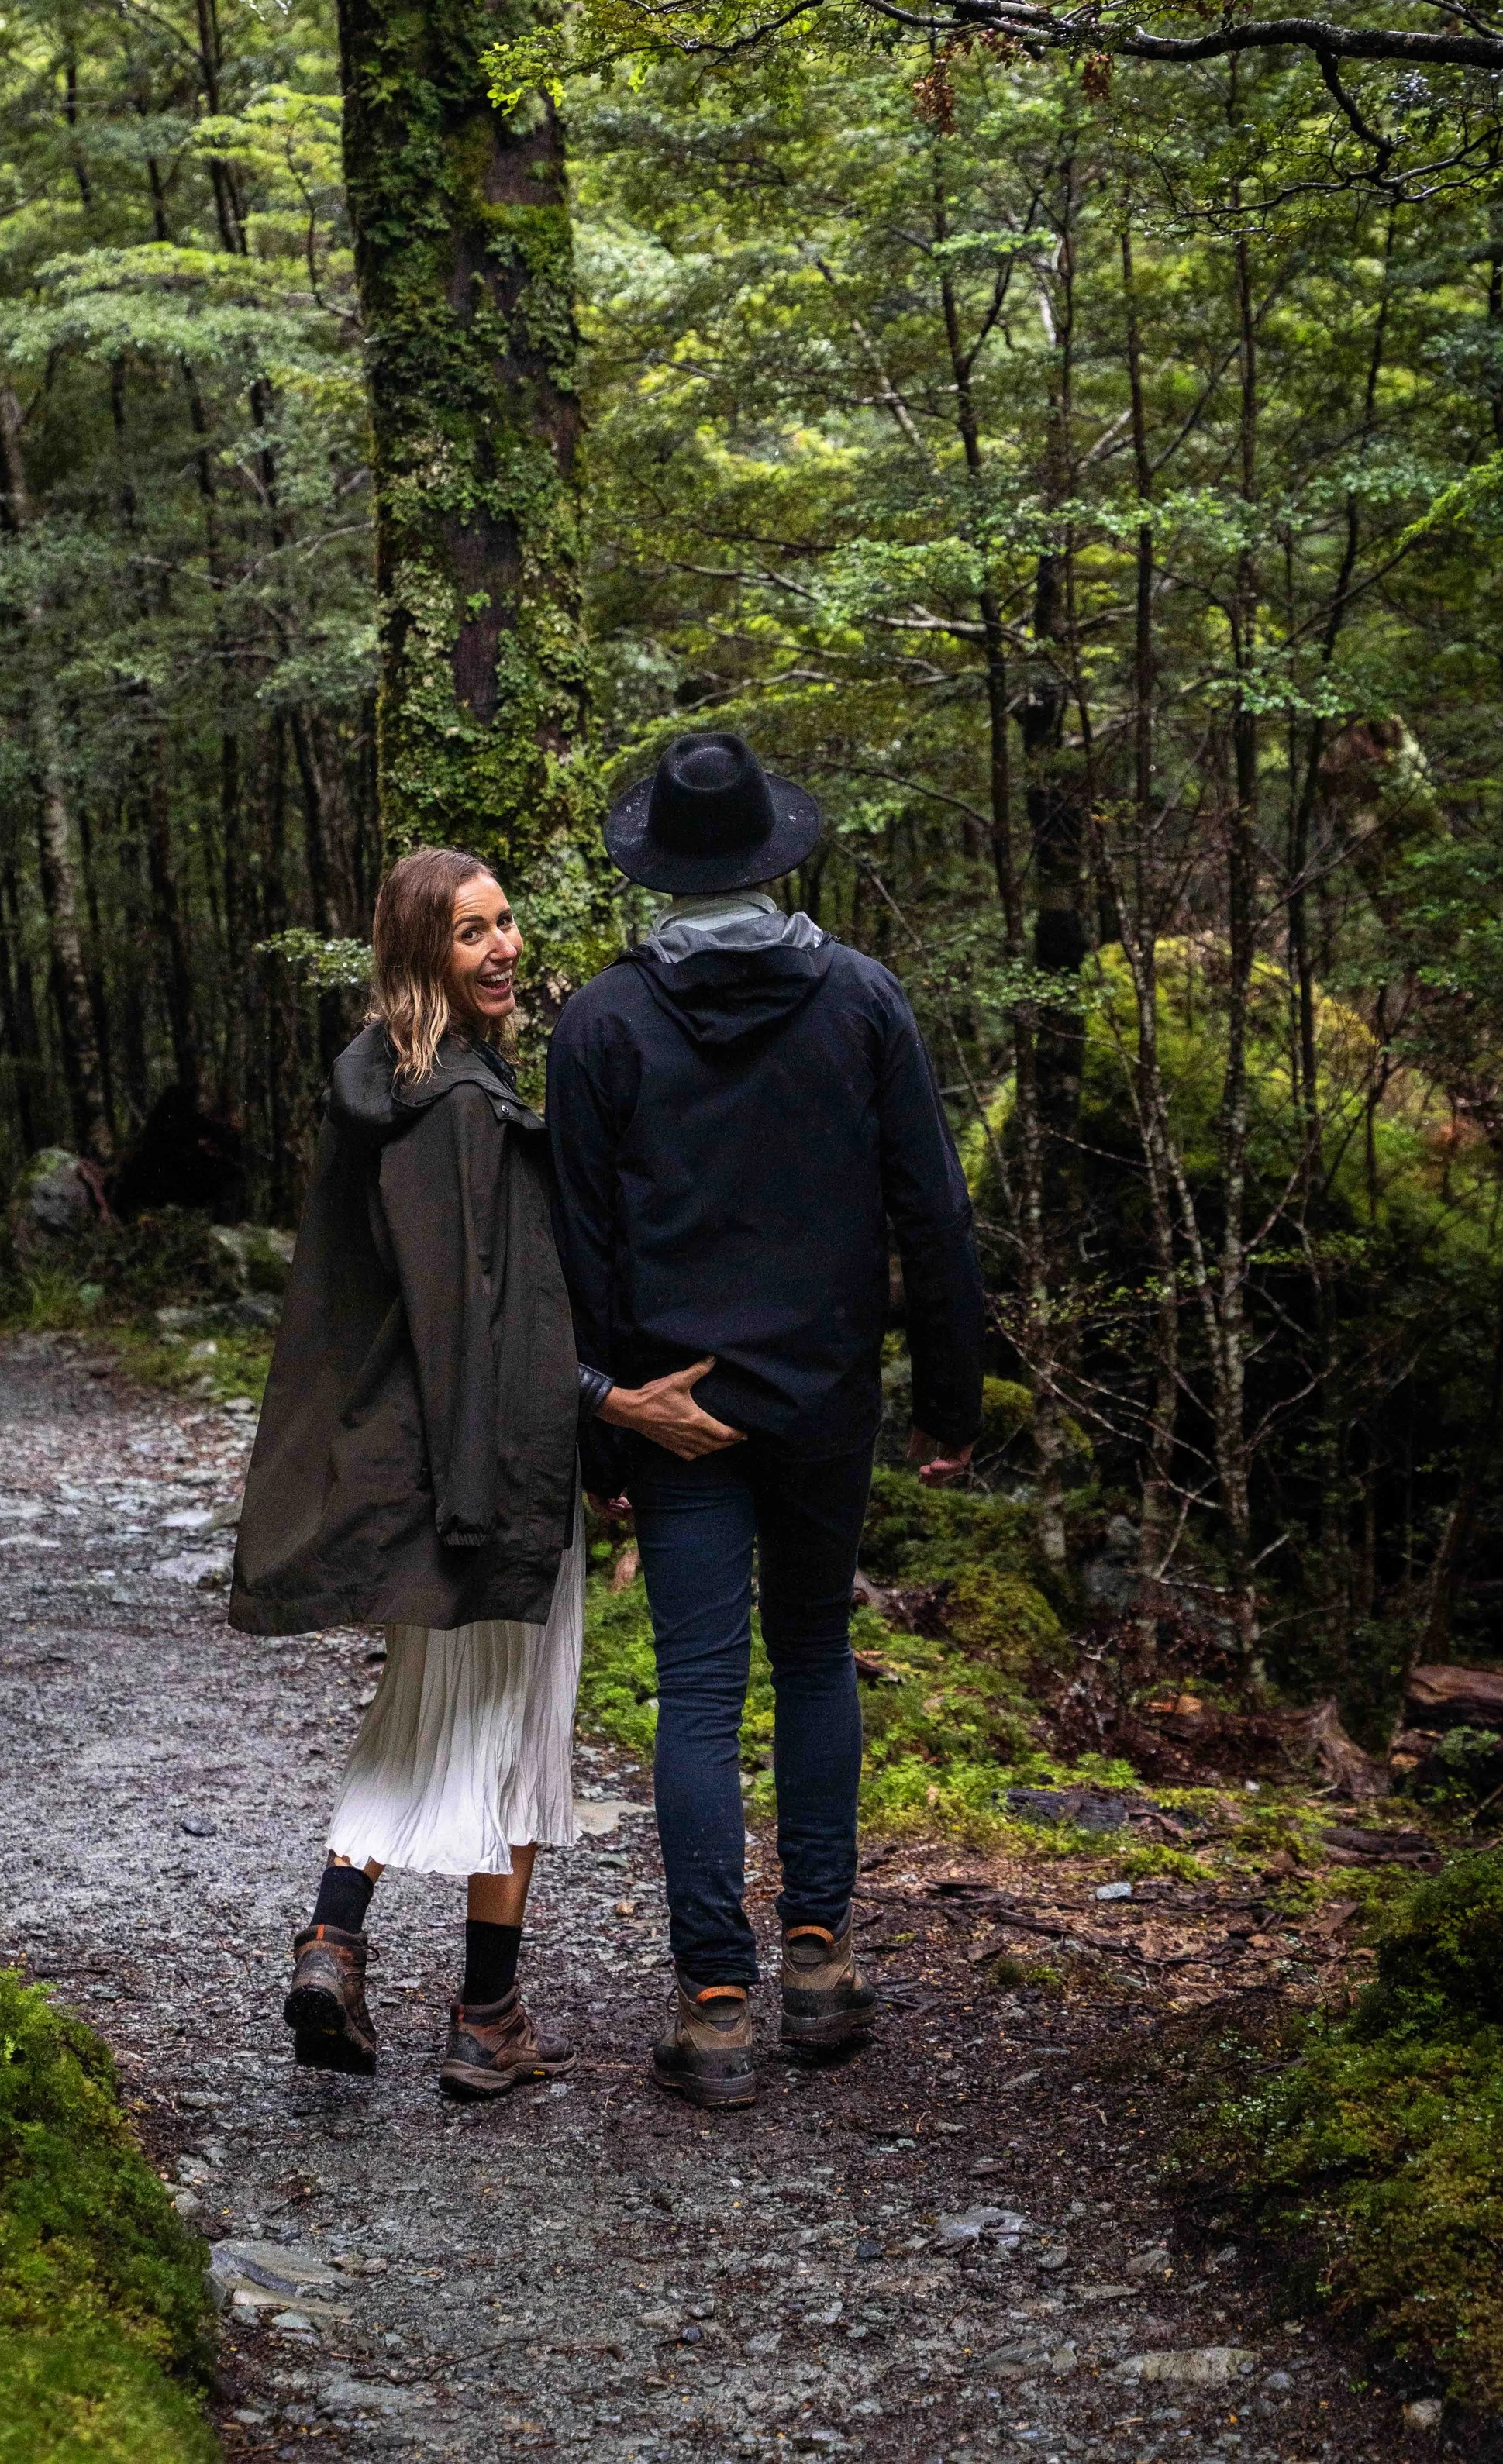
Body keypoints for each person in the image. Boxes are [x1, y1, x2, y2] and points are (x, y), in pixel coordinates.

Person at [231, 846, 735, 2101]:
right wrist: (609, 1410)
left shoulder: (407, 1090)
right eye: (470, 934)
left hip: (444, 1470)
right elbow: (484, 1326)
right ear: (421, 958)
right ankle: (446, 1995)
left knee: (454, 1717)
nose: (503, 947)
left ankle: (376, 1960)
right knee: (500, 1725)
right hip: (480, 1475)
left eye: (507, 923)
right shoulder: (454, 1108)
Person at [546, 732, 984, 2110]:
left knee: (694, 1691)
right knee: (812, 1653)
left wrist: (610, 1428)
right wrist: (951, 1396)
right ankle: (816, 1955)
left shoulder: (602, 1022)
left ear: (660, 868)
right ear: (774, 854)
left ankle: (717, 2004)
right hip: (824, 1402)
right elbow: (936, 1213)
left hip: (678, 1413)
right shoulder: (862, 1000)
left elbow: (582, 1249)